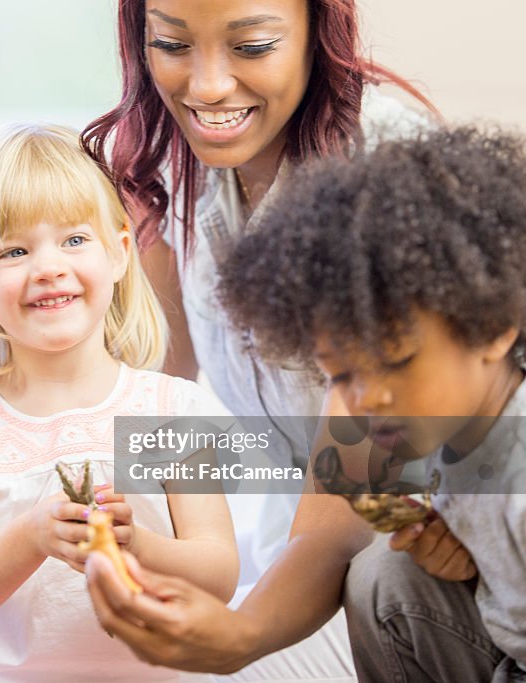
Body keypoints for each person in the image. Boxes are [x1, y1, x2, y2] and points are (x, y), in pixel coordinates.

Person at [81, 0, 442, 679]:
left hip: (409, 575)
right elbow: (146, 397)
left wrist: (240, 632)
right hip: (295, 560)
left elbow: (353, 494)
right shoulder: (179, 164)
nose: (207, 85)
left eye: (251, 46)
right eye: (171, 43)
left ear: (317, 35)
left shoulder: (384, 161)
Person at [89, 126, 526, 681]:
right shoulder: (436, 429)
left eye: (395, 362)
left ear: (493, 328)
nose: (368, 399)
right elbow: (341, 516)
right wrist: (473, 563)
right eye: (342, 376)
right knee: (386, 577)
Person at [0, 122, 239, 682]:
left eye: (74, 240)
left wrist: (141, 544)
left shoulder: (170, 408)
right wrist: (30, 537)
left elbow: (219, 572)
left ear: (120, 253)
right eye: (14, 250)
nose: (49, 266)